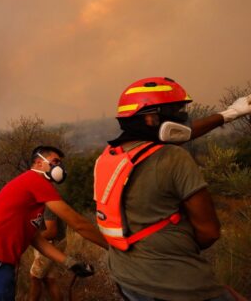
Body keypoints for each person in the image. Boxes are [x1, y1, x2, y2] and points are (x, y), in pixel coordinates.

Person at [95, 77, 251, 300]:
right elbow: (209, 232)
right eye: (176, 112)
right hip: (173, 282)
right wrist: (175, 247)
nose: (183, 117)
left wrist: (229, 114)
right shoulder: (174, 158)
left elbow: (178, 134)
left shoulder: (109, 157)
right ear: (150, 118)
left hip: (127, 276)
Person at [0, 145, 107, 301]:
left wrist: (70, 263)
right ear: (38, 163)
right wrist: (112, 247)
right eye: (55, 161)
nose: (59, 167)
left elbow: (35, 239)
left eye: (60, 163)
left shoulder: (32, 190)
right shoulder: (35, 181)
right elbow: (77, 223)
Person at [28, 207, 67, 301]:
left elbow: (51, 232)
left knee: (35, 277)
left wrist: (30, 238)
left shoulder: (48, 206)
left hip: (51, 243)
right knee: (49, 280)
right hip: (51, 242)